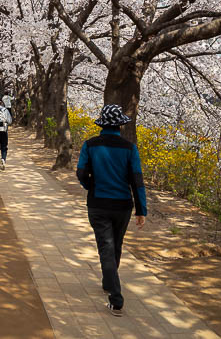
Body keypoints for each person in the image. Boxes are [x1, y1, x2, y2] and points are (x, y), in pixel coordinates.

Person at [76, 104, 147, 317]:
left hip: (98, 204)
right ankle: (111, 288)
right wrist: (141, 209)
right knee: (115, 246)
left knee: (106, 248)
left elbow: (80, 173)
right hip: (122, 205)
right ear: (120, 126)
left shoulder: (90, 145)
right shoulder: (129, 148)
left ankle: (114, 295)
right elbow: (137, 180)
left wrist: (91, 186)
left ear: (102, 124)